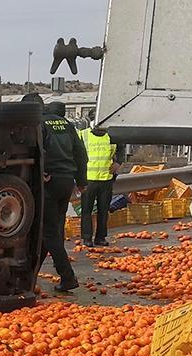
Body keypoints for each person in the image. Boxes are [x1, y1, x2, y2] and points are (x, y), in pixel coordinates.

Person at [28, 95, 86, 293]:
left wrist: (41, 170)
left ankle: (67, 276)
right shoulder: (68, 125)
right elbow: (80, 152)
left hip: (49, 180)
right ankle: (30, 276)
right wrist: (81, 181)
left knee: (49, 232)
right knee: (52, 230)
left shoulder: (41, 124)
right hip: (66, 180)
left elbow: (37, 150)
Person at [79, 124, 125, 247]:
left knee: (103, 210)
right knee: (86, 210)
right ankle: (87, 237)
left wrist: (118, 162)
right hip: (89, 179)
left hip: (106, 178)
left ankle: (100, 237)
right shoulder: (83, 135)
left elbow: (121, 149)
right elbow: (76, 153)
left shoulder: (112, 136)